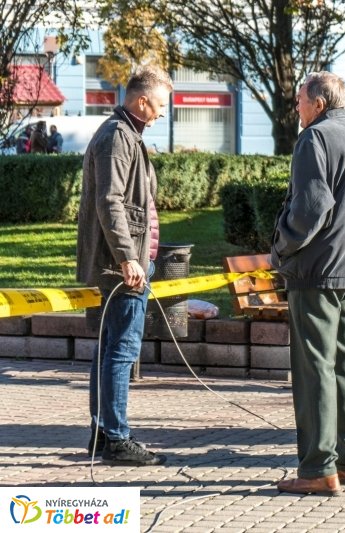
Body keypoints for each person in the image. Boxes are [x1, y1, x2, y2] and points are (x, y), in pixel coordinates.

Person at [271, 71, 345, 496]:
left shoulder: (314, 139)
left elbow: (311, 208)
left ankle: (318, 469)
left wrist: (282, 247)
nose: (297, 109)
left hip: (316, 272)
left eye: (300, 102)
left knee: (314, 369)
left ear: (318, 103)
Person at [76, 66, 173, 466]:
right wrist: (128, 256)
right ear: (142, 101)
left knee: (111, 348)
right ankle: (115, 437)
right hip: (121, 267)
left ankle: (104, 433)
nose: (164, 113)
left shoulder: (127, 134)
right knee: (121, 349)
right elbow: (110, 201)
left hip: (126, 262)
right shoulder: (118, 137)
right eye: (162, 104)